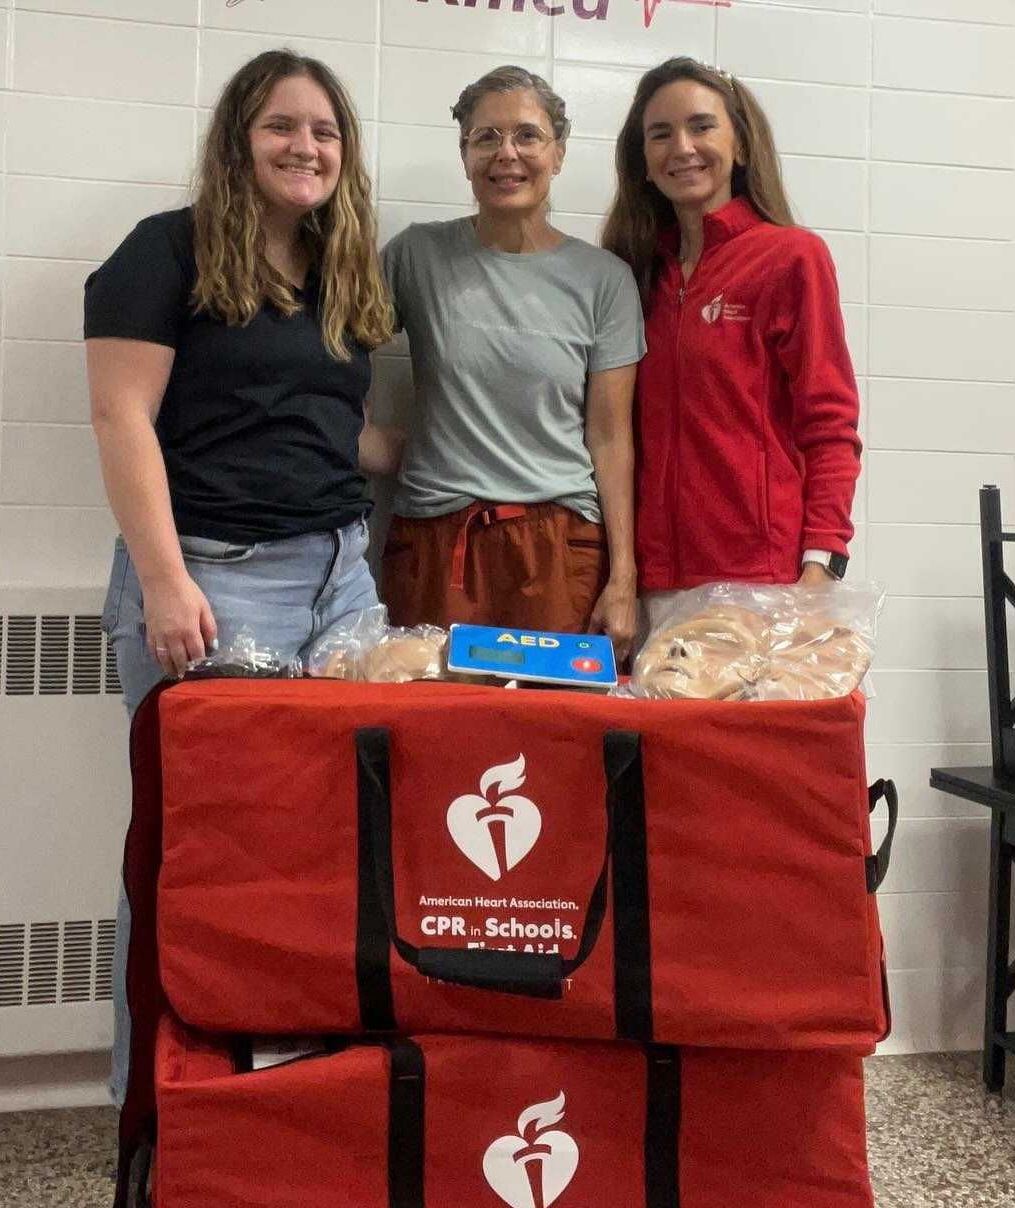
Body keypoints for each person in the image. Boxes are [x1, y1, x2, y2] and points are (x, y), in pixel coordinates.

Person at [84, 49, 398, 1103]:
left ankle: (284, 1095)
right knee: (195, 848)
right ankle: (155, 1107)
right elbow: (119, 416)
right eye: (281, 126)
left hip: (341, 580)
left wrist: (464, 457)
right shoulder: (163, 250)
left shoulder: (338, 267)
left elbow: (329, 426)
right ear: (239, 140)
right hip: (215, 579)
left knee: (328, 837)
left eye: (324, 131)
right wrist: (165, 581)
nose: (305, 146)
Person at [379, 66, 644, 659]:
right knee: (430, 714)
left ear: (558, 153)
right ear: (464, 155)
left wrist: (623, 577)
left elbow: (610, 437)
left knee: (550, 714)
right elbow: (327, 348)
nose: (507, 154)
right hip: (437, 542)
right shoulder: (416, 255)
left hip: (559, 550)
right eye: (486, 138)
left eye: (528, 135)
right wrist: (356, 439)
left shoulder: (604, 281)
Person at [603, 58, 861, 624]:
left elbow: (830, 425)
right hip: (651, 583)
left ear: (740, 145)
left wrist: (821, 565)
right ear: (642, 160)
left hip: (761, 582)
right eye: (660, 133)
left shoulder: (791, 257)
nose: (682, 147)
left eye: (701, 126)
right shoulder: (631, 273)